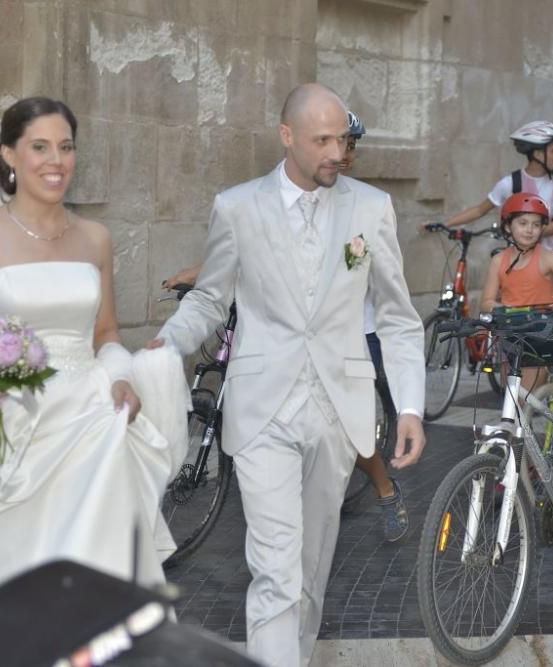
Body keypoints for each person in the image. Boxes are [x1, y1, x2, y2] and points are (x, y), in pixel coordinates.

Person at [149, 83, 426, 667]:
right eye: (322, 140)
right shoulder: (237, 206)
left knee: (308, 572)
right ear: (287, 137)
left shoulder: (371, 207)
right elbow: (208, 299)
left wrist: (409, 406)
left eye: (342, 139)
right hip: (260, 409)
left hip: (338, 408)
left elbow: (399, 318)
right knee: (274, 566)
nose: (336, 152)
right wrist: (166, 343)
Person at [0, 97, 185, 621]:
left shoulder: (94, 238)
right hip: (2, 419)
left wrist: (120, 377)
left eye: (66, 147)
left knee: (90, 581)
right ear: (8, 154)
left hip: (86, 426)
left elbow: (105, 331)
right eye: (40, 147)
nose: (56, 161)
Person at [161, 110, 411, 543]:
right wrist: (200, 275)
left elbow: (369, 279)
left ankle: (385, 488)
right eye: (332, 142)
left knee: (352, 432)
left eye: (350, 145)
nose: (342, 153)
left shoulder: (365, 207)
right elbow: (257, 249)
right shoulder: (265, 198)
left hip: (354, 330)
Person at [443, 121, 553, 286]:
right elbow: (480, 210)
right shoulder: (511, 183)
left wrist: (524, 235)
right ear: (537, 153)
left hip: (551, 261)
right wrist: (445, 224)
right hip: (519, 261)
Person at [480, 192, 553, 388]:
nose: (530, 230)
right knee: (513, 399)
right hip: (512, 334)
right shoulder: (499, 261)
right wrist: (509, 311)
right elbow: (487, 302)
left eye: (536, 224)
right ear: (507, 226)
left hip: (542, 334)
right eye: (523, 223)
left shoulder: (547, 258)